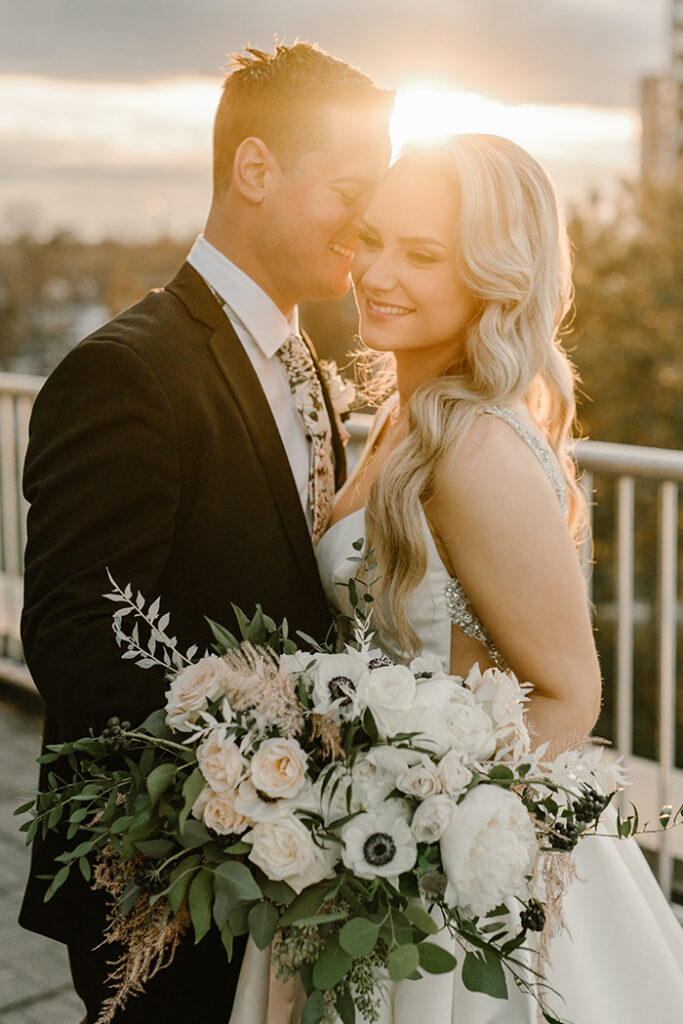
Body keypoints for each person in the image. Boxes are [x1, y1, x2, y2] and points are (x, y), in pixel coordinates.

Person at [19, 42, 392, 1023]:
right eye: (352, 187)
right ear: (255, 169)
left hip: (287, 877)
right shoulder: (124, 373)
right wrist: (253, 802)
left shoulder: (304, 359)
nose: (372, 221)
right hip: (167, 884)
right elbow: (79, 642)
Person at [314, 135, 683, 1022]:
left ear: (492, 276)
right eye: (372, 238)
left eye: (424, 254)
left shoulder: (474, 448)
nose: (377, 271)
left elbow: (568, 693)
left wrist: (430, 837)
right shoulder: (407, 414)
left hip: (457, 885)